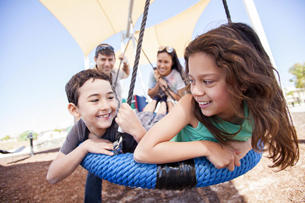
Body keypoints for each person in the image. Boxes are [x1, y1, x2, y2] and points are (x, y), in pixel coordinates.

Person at [131, 22, 299, 171]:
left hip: (164, 125)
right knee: (138, 131)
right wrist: (207, 148)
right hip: (159, 139)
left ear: (243, 81)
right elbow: (143, 152)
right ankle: (137, 132)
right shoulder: (190, 104)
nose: (195, 91)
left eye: (208, 81)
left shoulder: (257, 109)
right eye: (192, 80)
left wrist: (246, 145)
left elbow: (259, 135)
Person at [46, 69, 139, 202]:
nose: (106, 106)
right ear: (75, 110)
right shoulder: (79, 130)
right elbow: (52, 176)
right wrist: (85, 146)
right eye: (95, 100)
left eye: (110, 97)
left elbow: (154, 154)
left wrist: (138, 131)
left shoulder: (123, 126)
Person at [147, 46, 187, 111]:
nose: (162, 65)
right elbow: (150, 95)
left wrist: (166, 89)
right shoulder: (153, 72)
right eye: (159, 61)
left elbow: (181, 99)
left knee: (169, 99)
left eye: (166, 62)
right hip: (160, 102)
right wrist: (158, 81)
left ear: (172, 62)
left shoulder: (176, 75)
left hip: (174, 107)